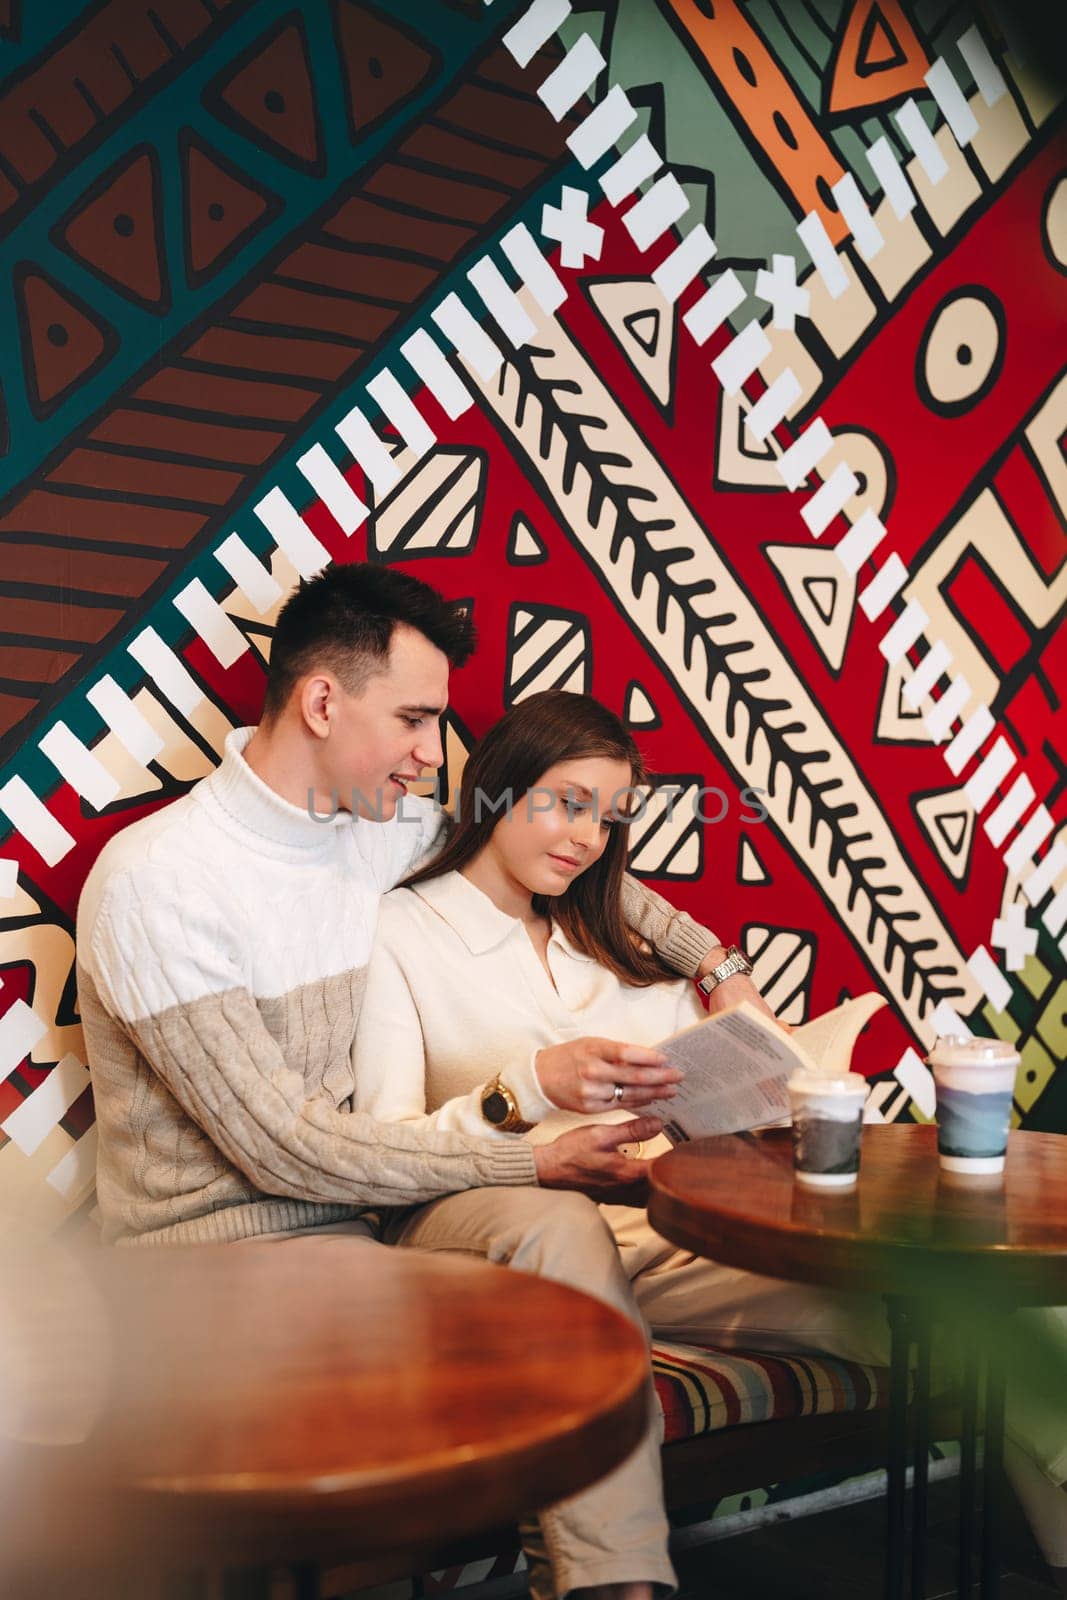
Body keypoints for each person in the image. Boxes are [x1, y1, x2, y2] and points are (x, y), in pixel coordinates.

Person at [351, 690, 1067, 1600]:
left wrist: (743, 1027)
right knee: (566, 1244)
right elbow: (381, 1152)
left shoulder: (609, 940)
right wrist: (522, 1090)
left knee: (979, 1301)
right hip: (507, 1233)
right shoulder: (403, 933)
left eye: (609, 822)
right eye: (567, 803)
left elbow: (732, 1090)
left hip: (673, 1233)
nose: (585, 839)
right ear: (498, 786)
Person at [76, 562, 759, 1248]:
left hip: (354, 1233)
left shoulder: (376, 828)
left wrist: (715, 968)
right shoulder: (158, 881)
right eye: (414, 719)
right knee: (557, 1231)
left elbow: (562, 856)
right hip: (204, 1260)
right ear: (321, 704)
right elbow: (280, 1148)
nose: (433, 754)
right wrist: (533, 1156)